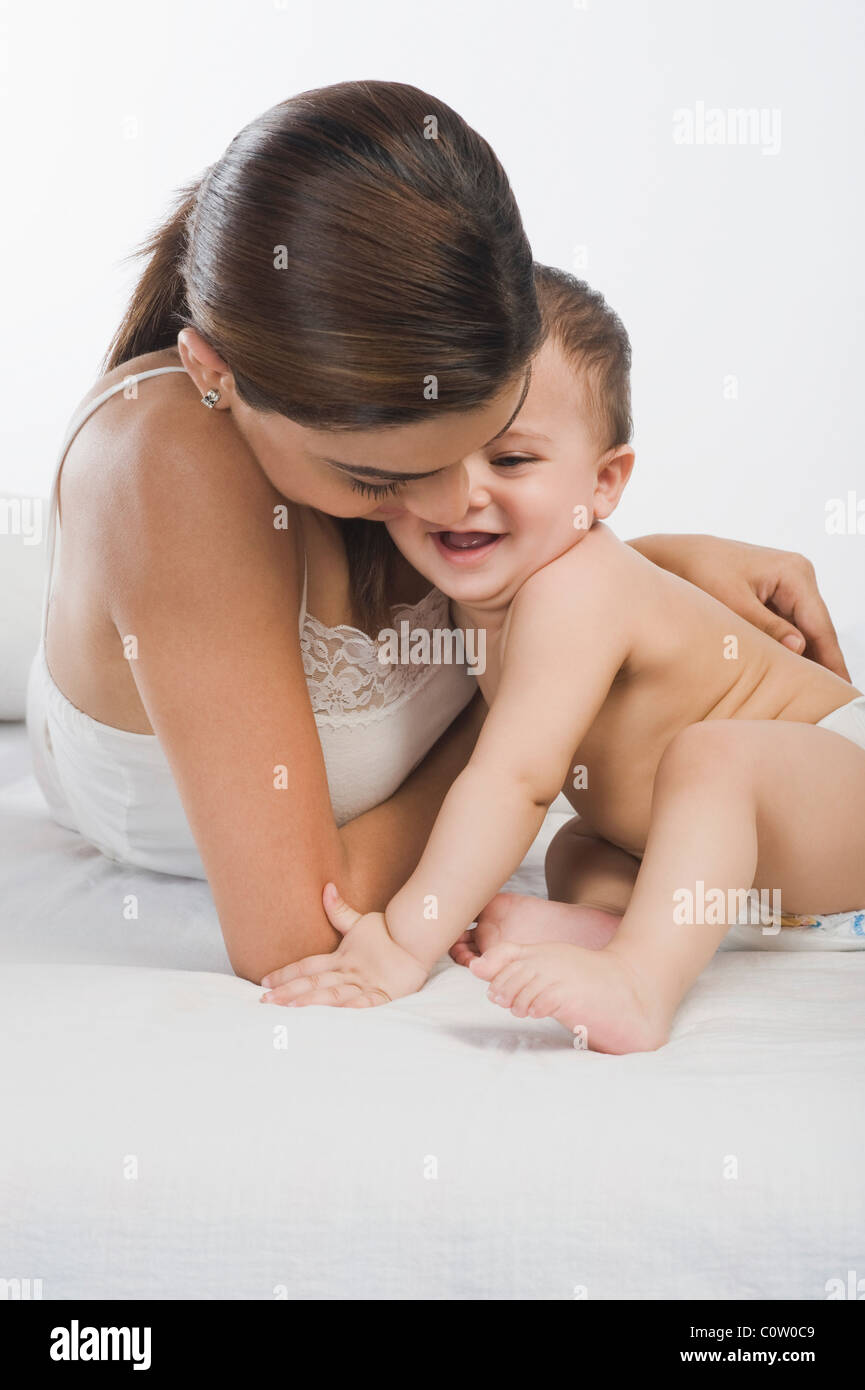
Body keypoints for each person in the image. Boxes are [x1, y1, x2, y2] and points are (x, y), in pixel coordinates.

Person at [27, 83, 849, 987]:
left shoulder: (426, 380)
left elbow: (544, 557)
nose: (456, 502)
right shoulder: (172, 465)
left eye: (489, 446)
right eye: (382, 479)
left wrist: (660, 573)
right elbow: (296, 934)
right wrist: (529, 711)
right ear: (214, 372)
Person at [260, 266, 865, 1052]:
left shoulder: (576, 587)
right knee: (583, 843)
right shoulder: (496, 588)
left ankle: (640, 983)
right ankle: (617, 927)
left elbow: (516, 780)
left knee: (714, 756)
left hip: (840, 776)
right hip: (772, 865)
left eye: (510, 462)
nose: (462, 494)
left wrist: (405, 942)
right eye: (433, 459)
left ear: (606, 481)